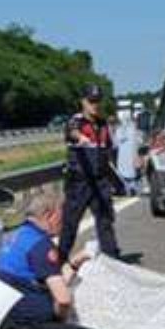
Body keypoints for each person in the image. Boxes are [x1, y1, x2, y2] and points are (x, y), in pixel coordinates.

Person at [0, 187, 108, 329]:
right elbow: (63, 299)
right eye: (61, 216)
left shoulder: (15, 237)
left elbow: (50, 278)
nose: (63, 222)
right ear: (49, 215)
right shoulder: (41, 246)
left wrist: (75, 262)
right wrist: (61, 321)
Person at [59, 85, 122, 259]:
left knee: (105, 222)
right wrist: (81, 138)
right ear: (83, 101)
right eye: (91, 101)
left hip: (100, 181)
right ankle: (60, 261)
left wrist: (114, 181)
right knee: (70, 224)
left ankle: (113, 259)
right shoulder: (76, 121)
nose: (94, 105)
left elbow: (108, 151)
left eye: (97, 101)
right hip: (79, 182)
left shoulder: (103, 124)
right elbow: (71, 132)